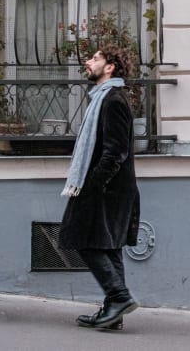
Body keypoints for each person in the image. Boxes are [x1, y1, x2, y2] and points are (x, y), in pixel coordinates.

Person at [59, 46, 140, 331]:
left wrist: (92, 185)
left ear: (110, 68)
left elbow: (115, 152)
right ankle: (113, 311)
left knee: (80, 237)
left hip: (106, 189)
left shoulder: (113, 100)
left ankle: (119, 297)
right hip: (112, 189)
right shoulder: (103, 99)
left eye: (95, 58)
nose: (87, 61)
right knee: (109, 247)